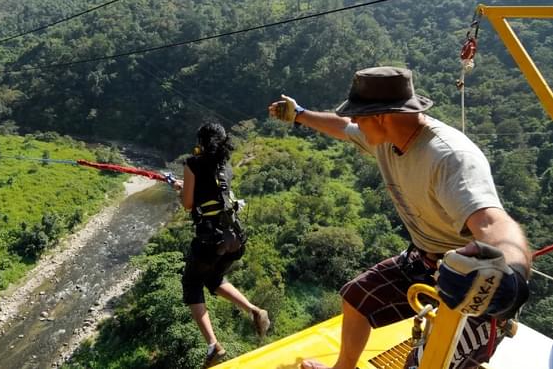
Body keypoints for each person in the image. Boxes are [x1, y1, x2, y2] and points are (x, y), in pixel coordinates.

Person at [268, 66, 531, 369]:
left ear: (380, 116)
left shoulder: (449, 157)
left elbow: (494, 224)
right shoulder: (386, 137)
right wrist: (300, 113)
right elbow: (341, 128)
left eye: (358, 115)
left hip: (469, 283)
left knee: (426, 363)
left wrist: (508, 280)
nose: (353, 121)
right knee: (357, 298)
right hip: (424, 259)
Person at [173, 122, 271, 368]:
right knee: (213, 279)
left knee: (192, 283)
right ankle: (253, 310)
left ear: (201, 142)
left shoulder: (192, 164)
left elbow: (187, 204)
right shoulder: (225, 167)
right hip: (235, 239)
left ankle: (213, 346)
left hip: (210, 241)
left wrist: (181, 189)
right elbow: (215, 195)